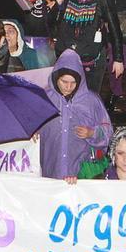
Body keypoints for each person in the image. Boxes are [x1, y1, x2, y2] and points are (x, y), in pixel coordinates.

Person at [40, 49, 112, 183]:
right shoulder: (45, 98)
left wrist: (92, 133)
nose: (68, 87)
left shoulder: (91, 101)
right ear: (56, 78)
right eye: (64, 82)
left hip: (81, 170)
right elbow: (31, 124)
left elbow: (108, 132)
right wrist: (34, 133)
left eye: (73, 83)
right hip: (51, 167)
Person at [51, 0, 123, 93]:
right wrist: (59, 6)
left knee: (89, 98)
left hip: (92, 60)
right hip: (69, 58)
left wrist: (118, 59)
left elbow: (115, 29)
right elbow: (53, 24)